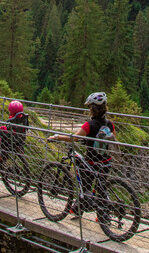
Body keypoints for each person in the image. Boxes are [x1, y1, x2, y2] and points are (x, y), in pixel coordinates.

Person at [47, 91, 115, 219]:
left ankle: (80, 208)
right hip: (106, 161)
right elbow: (111, 138)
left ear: (92, 109)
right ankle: (102, 216)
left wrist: (57, 136)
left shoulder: (89, 125)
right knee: (101, 188)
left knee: (85, 185)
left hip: (92, 162)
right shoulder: (110, 124)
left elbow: (73, 138)